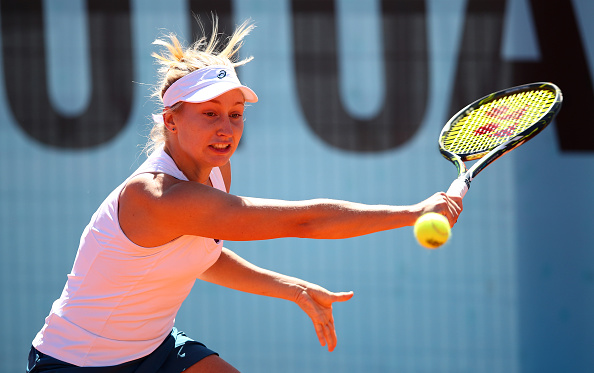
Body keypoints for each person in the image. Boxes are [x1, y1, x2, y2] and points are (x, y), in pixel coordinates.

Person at [27, 19, 462, 373]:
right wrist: (413, 212)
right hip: (76, 364)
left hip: (154, 349)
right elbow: (302, 222)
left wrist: (291, 288)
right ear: (171, 121)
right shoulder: (155, 197)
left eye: (235, 115)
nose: (226, 128)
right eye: (210, 114)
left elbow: (201, 255)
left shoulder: (215, 171)